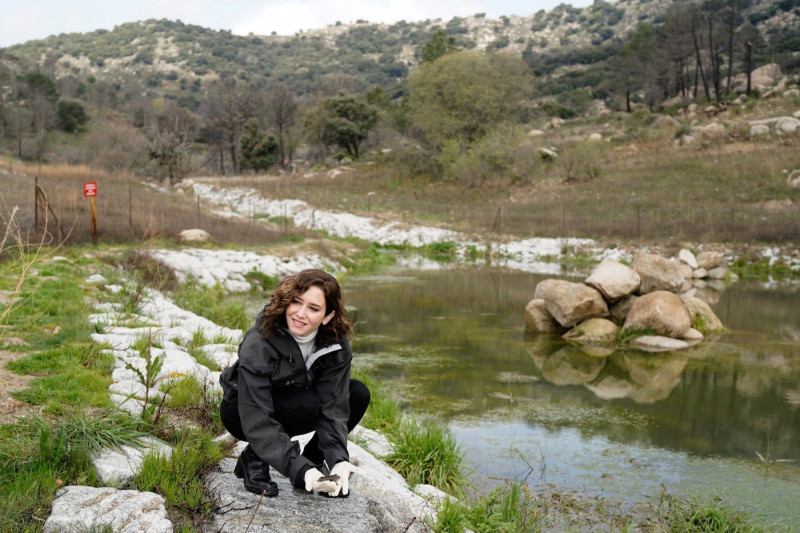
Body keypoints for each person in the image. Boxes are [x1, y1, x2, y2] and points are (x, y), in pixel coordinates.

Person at [219, 268, 370, 498]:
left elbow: (334, 407)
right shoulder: (261, 339)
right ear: (287, 301)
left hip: (298, 402)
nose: (300, 313)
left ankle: (314, 462)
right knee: (304, 402)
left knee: (357, 393)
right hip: (242, 410)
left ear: (328, 316)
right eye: (296, 302)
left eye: (314, 308)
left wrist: (338, 460)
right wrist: (298, 471)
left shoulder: (335, 344)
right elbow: (257, 415)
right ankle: (255, 458)